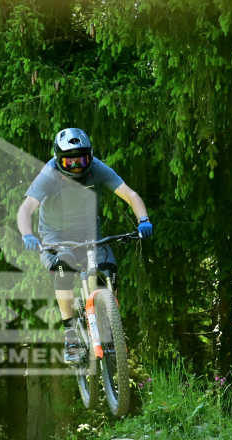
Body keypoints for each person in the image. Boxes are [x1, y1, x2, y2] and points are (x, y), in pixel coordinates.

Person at [16, 128, 153, 363]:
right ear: (59, 159)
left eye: (82, 160)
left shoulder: (97, 168)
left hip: (89, 232)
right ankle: (70, 333)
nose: (77, 166)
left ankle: (109, 321)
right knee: (64, 268)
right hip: (56, 237)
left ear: (90, 156)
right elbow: (26, 208)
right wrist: (27, 234)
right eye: (69, 162)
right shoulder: (49, 173)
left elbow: (130, 195)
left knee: (107, 267)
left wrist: (143, 219)